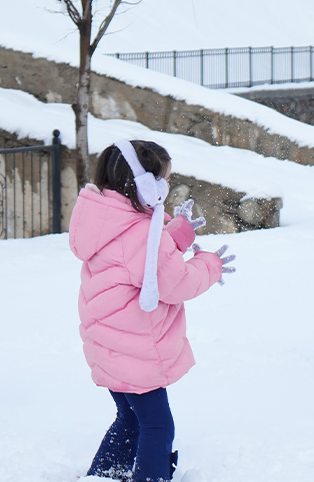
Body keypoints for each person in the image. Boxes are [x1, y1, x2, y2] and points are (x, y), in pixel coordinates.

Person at [69, 139, 235, 482]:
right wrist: (210, 263)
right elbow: (176, 282)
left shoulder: (104, 218)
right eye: (164, 180)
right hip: (136, 351)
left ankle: (102, 475)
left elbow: (139, 255)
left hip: (110, 346)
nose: (167, 187)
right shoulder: (145, 233)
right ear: (145, 186)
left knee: (130, 419)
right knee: (158, 426)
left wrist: (175, 234)